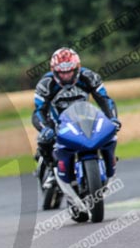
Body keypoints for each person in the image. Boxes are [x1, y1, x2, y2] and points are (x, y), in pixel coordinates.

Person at [31, 47, 121, 190]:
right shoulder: (46, 84)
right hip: (57, 122)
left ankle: (107, 162)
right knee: (44, 140)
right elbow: (38, 111)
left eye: (69, 72)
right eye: (62, 73)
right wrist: (45, 128)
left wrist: (113, 118)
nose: (66, 76)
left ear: (77, 68)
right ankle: (52, 169)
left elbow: (104, 100)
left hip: (84, 119)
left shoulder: (89, 77)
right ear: (54, 71)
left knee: (109, 135)